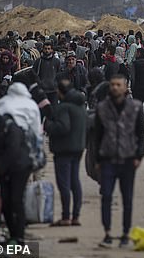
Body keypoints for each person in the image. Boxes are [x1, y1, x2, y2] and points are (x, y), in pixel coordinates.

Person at [93, 74, 144, 248]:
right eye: (113, 85)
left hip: (128, 159)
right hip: (108, 159)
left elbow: (142, 132)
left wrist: (139, 155)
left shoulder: (136, 107)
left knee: (127, 199)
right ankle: (108, 233)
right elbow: (96, 135)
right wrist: (97, 159)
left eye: (119, 85)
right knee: (107, 196)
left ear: (126, 88)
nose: (115, 87)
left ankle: (125, 233)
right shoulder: (102, 108)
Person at [44, 79, 87, 227]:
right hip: (78, 148)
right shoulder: (81, 105)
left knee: (64, 183)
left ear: (60, 91)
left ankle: (65, 216)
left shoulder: (63, 107)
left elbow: (62, 127)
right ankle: (75, 216)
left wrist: (48, 125)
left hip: (64, 149)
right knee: (75, 181)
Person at [0, 100, 32, 245]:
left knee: (16, 200)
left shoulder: (10, 127)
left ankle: (19, 237)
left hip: (20, 167)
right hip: (4, 169)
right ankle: (12, 234)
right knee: (5, 202)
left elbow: (12, 152)